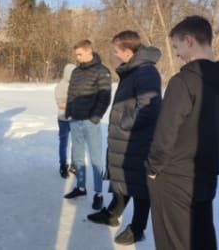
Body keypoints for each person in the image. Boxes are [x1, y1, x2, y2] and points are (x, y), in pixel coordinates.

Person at [146, 16, 219, 250]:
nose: (176, 53)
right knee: (202, 236)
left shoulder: (184, 81)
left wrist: (153, 167)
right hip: (206, 175)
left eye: (176, 46)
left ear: (189, 41)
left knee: (172, 240)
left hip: (174, 176)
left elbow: (166, 132)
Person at [87, 31, 162, 246]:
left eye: (117, 51)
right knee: (123, 179)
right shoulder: (134, 71)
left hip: (138, 140)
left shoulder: (146, 72)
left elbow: (150, 108)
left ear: (128, 52)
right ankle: (112, 214)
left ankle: (138, 228)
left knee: (138, 185)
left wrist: (123, 124)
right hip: (127, 139)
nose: (115, 54)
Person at [64, 39, 112, 211]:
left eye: (79, 54)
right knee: (77, 157)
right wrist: (68, 111)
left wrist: (95, 117)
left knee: (96, 159)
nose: (77, 57)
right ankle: (81, 187)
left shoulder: (102, 71)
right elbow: (71, 94)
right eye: (76, 54)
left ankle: (98, 193)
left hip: (91, 122)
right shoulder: (76, 72)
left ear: (88, 51)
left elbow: (105, 97)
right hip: (75, 120)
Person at [54, 63, 76, 178]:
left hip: (75, 119)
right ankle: (63, 165)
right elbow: (61, 104)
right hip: (63, 119)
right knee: (64, 143)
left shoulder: (76, 85)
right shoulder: (60, 86)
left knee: (76, 143)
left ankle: (73, 164)